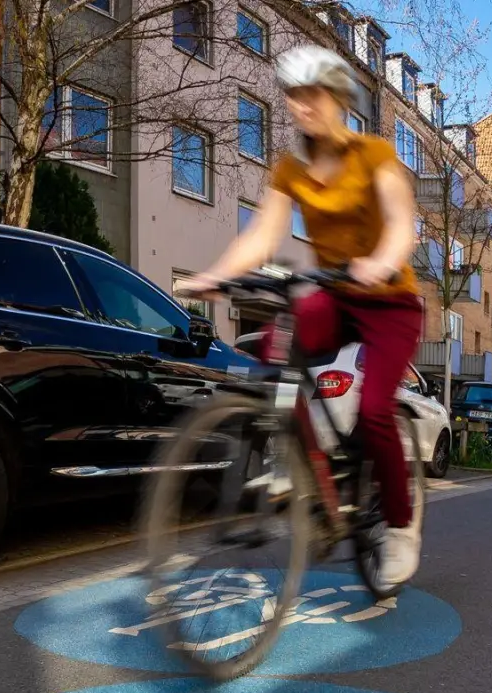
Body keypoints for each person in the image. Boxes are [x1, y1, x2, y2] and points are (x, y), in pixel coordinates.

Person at [181, 45, 424, 589]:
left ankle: (401, 529)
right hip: (335, 291)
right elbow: (265, 234)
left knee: (379, 408)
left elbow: (400, 225)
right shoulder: (291, 169)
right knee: (272, 345)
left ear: (338, 99)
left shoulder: (375, 155)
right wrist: (215, 275)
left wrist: (380, 261)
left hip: (389, 300)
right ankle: (295, 457)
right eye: (293, 95)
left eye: (312, 94)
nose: (301, 105)